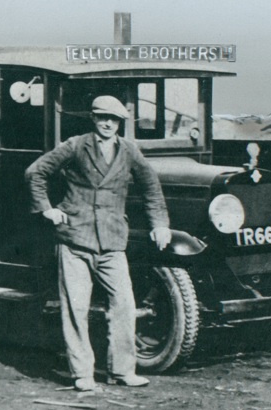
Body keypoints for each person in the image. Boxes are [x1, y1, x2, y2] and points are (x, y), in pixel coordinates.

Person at [25, 96, 172, 392]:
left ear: (120, 124)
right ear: (93, 118)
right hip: (76, 239)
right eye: (102, 117)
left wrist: (160, 224)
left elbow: (151, 187)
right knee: (76, 308)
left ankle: (122, 370)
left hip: (112, 241)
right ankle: (82, 374)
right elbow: (35, 172)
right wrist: (47, 208)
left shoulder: (129, 151)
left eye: (114, 119)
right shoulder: (77, 145)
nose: (107, 123)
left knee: (124, 305)